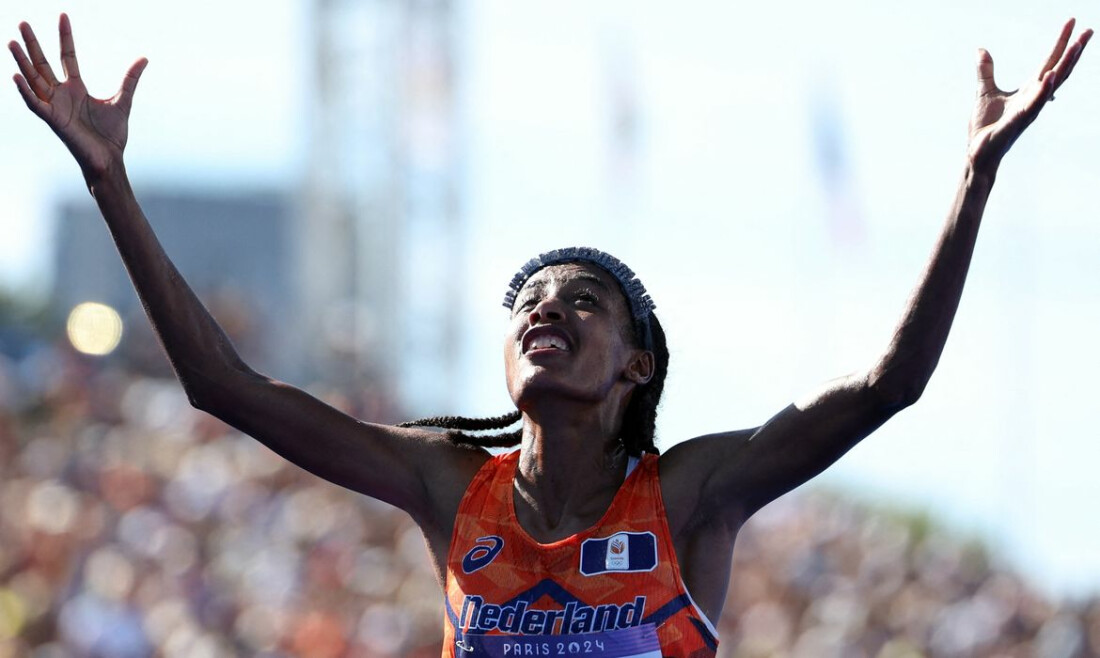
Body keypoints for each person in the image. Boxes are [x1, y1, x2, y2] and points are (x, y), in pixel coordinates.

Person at [8, 14, 1092, 657]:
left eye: (582, 303)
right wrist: (109, 181)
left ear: (635, 366)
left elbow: (886, 384)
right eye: (529, 302)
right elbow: (221, 384)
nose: (546, 312)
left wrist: (973, 174)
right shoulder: (445, 483)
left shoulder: (690, 493)